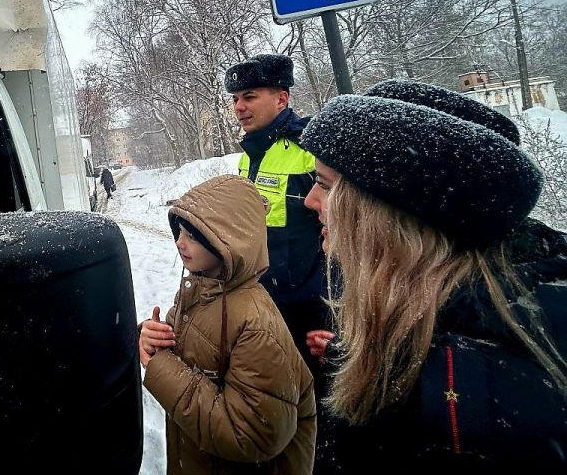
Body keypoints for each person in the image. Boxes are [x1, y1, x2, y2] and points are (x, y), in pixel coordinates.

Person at [299, 83, 567, 471]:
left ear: (393, 215)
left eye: (325, 185)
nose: (310, 200)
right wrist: (355, 352)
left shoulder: (476, 396)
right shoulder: (435, 312)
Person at [139, 175, 316, 474]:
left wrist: (160, 367)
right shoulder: (201, 290)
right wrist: (151, 337)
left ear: (228, 240)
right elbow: (183, 341)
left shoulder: (256, 325)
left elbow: (252, 435)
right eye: (179, 231)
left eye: (193, 235)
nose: (179, 242)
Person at [224, 54, 329, 388]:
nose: (239, 107)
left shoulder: (310, 150)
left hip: (312, 312)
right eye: (235, 99)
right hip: (264, 303)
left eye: (249, 96)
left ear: (281, 99)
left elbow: (348, 236)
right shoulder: (249, 157)